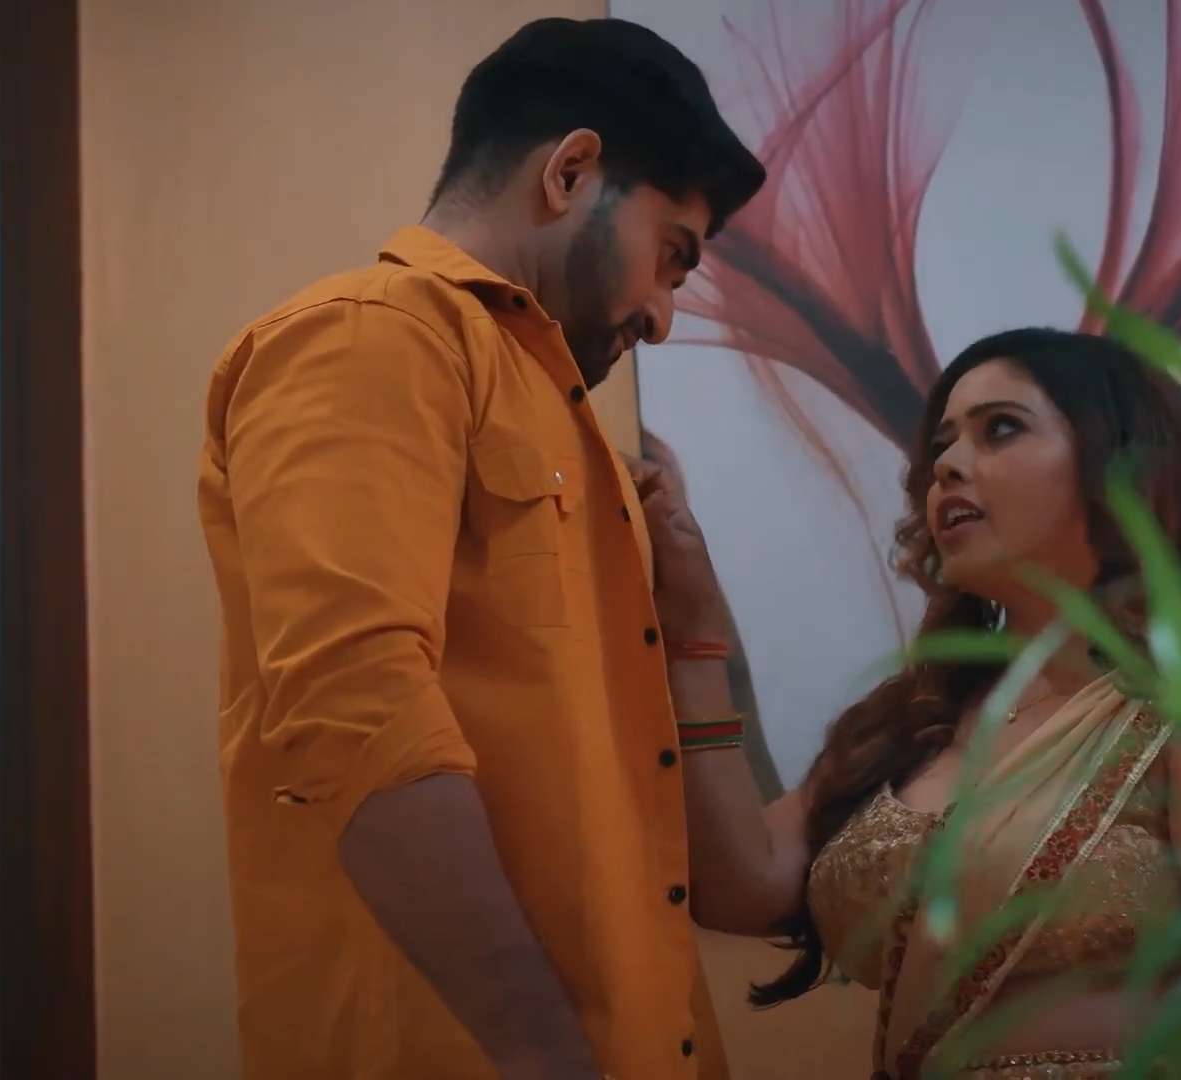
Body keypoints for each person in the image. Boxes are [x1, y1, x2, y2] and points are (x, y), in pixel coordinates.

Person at [195, 17, 764, 1079]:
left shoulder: (567, 420)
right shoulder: (371, 334)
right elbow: (358, 707)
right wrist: (540, 1050)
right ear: (571, 171)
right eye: (671, 258)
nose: (662, 315)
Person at [638, 328, 1181, 1078]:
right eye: (941, 445)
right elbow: (740, 888)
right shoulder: (910, 721)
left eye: (1001, 429)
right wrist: (694, 644)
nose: (947, 465)